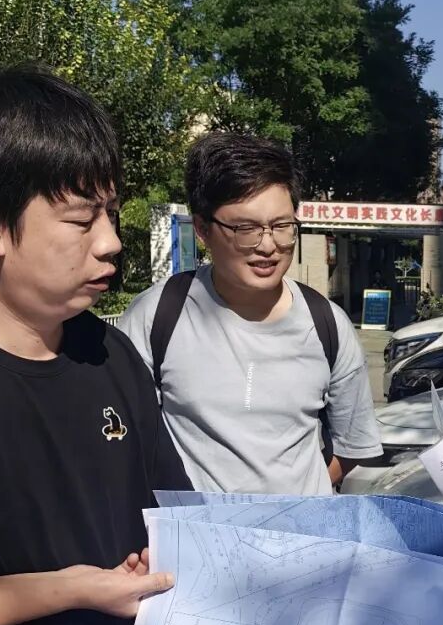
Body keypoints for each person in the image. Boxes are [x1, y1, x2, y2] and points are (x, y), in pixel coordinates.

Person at [0, 65, 192, 625]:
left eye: (109, 213)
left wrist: (160, 560)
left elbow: (171, 516)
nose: (111, 242)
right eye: (81, 220)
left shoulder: (110, 353)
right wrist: (70, 589)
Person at [119, 133, 382, 495]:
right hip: (193, 530)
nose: (268, 245)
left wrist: (299, 500)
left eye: (282, 226)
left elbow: (352, 445)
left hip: (300, 530)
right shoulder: (157, 315)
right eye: (246, 229)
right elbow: (124, 442)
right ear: (202, 229)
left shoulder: (328, 324)